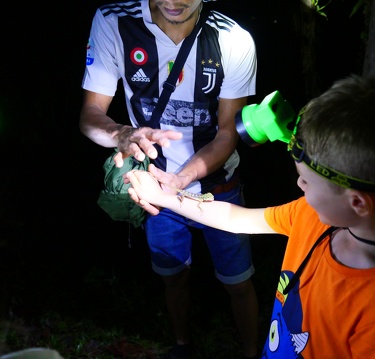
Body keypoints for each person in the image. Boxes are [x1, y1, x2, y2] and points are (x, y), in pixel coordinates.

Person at [125, 75, 375, 358]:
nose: (299, 185)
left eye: (306, 181)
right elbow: (235, 217)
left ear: (358, 203)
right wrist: (167, 197)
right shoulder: (312, 216)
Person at [79, 1, 259, 358]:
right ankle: (182, 346)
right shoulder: (114, 20)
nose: (174, 1)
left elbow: (227, 133)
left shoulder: (234, 40)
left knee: (239, 281)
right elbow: (90, 114)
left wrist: (183, 179)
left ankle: (255, 352)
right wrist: (121, 134)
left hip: (216, 185)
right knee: (172, 275)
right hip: (155, 186)